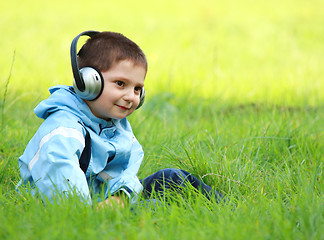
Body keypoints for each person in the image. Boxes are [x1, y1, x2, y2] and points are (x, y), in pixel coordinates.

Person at [16, 30, 224, 207]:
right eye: (120, 84)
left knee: (171, 178)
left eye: (137, 89)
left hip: (108, 199)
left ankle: (232, 207)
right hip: (79, 206)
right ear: (87, 82)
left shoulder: (116, 125)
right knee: (158, 207)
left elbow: (127, 170)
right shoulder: (63, 129)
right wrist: (99, 211)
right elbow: (62, 186)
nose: (131, 96)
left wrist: (122, 197)